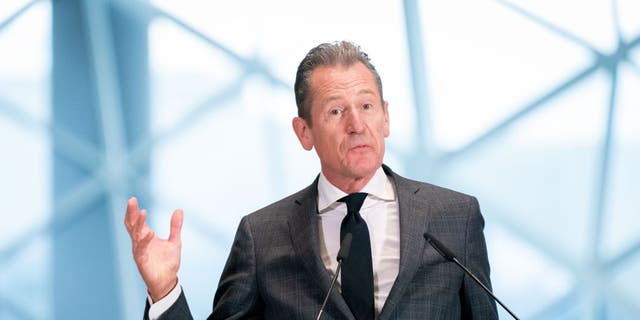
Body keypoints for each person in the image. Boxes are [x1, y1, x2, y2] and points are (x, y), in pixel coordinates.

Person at [125, 41, 498, 319]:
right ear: (304, 132)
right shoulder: (262, 236)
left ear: (386, 117)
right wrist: (164, 288)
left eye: (367, 106)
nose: (356, 125)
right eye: (336, 111)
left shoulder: (454, 217)